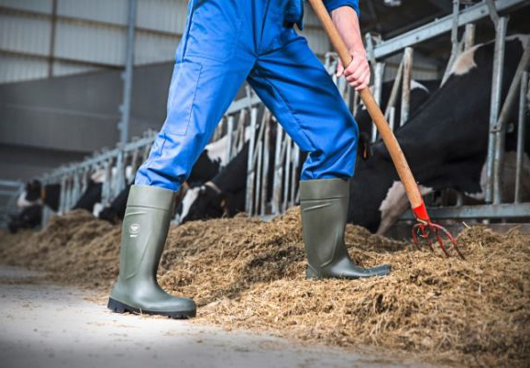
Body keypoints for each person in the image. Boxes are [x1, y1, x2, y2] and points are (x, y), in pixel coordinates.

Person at [108, 0, 391, 319]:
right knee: (182, 139)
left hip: (277, 29)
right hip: (224, 16)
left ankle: (329, 262)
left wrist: (355, 48)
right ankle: (133, 284)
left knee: (336, 133)